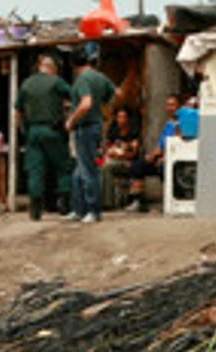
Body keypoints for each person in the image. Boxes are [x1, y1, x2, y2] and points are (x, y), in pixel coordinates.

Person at [15, 54, 73, 220]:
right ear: (52, 69)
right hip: (52, 130)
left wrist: (23, 130)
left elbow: (17, 111)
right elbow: (74, 96)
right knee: (63, 166)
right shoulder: (57, 81)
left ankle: (35, 208)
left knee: (35, 169)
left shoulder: (26, 83)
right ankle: (64, 203)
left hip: (33, 131)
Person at [66, 47, 116, 223]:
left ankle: (93, 210)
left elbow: (86, 103)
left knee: (87, 170)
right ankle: (79, 209)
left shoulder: (82, 79)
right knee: (80, 170)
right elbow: (113, 93)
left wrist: (71, 120)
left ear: (72, 64)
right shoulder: (100, 77)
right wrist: (101, 109)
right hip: (96, 125)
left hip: (85, 127)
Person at [103, 107, 142, 211]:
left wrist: (121, 155)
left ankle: (108, 202)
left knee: (107, 167)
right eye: (119, 117)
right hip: (114, 159)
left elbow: (133, 153)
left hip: (128, 162)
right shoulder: (113, 131)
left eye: (123, 117)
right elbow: (107, 146)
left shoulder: (133, 133)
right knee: (102, 166)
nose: (121, 120)